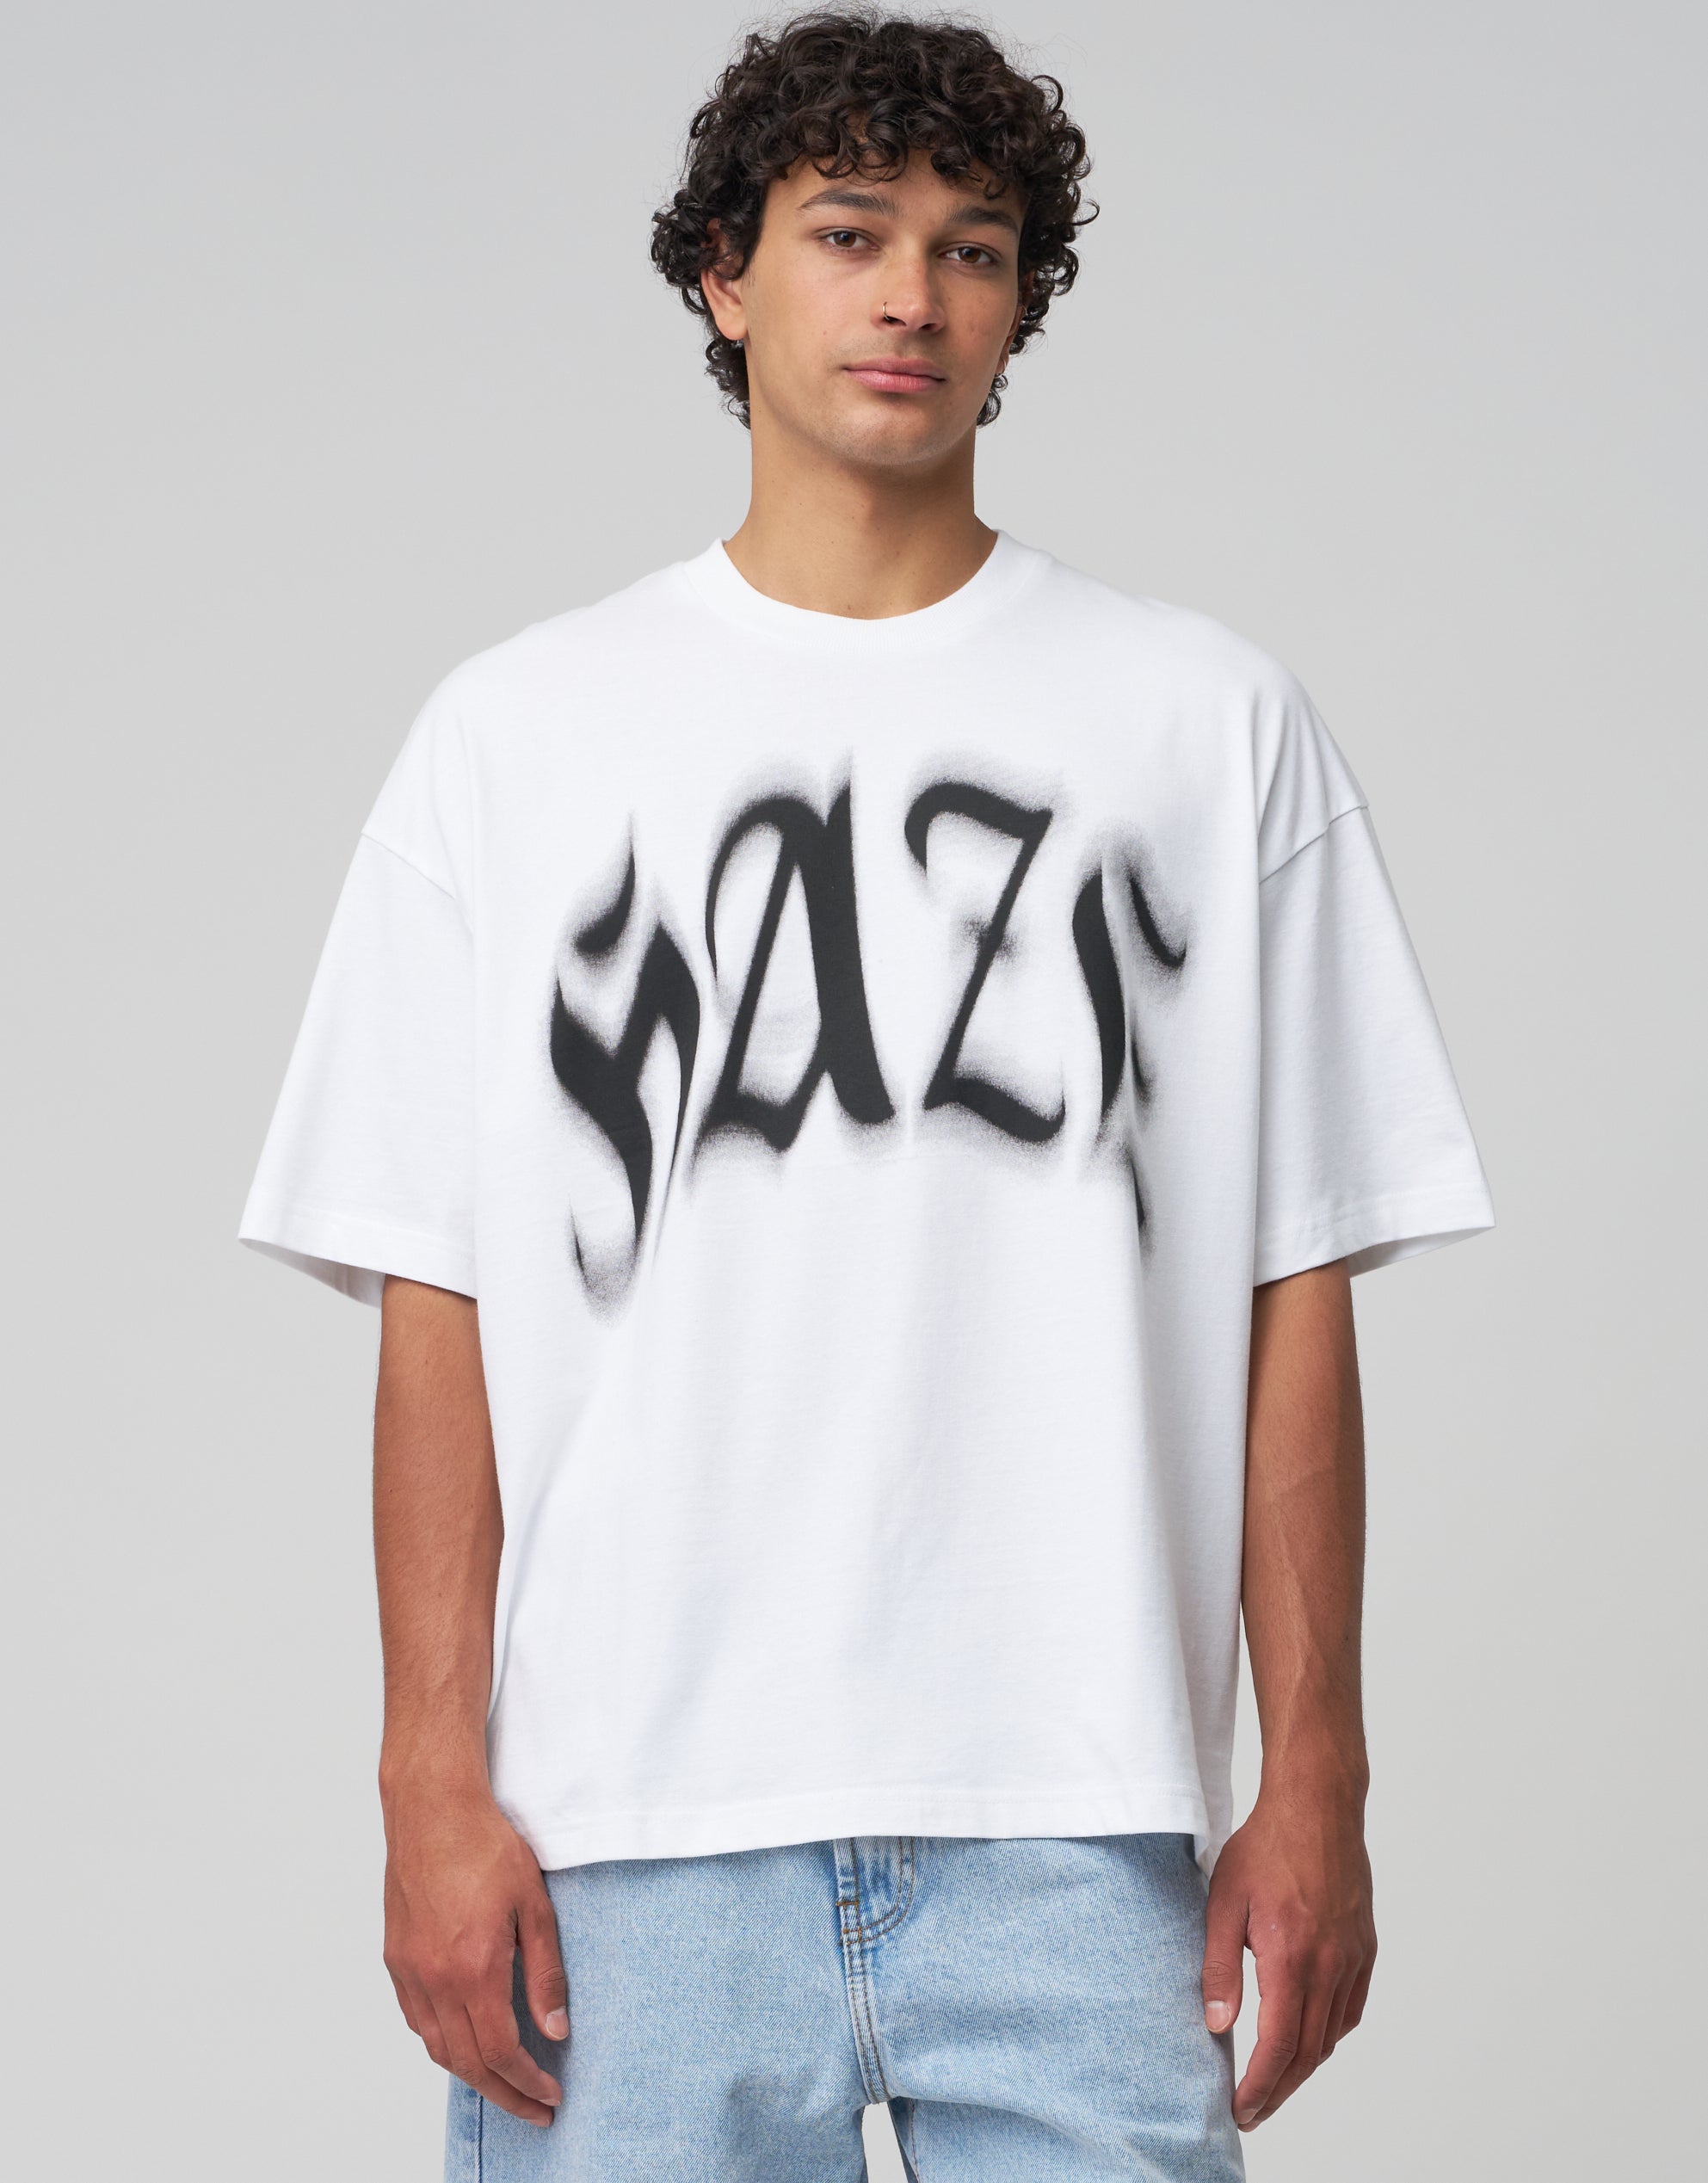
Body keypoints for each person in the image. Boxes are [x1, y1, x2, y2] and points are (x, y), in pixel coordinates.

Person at [239, 12, 1494, 2179]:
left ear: (1021, 303)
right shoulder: (515, 741)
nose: (912, 294)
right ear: (724, 276)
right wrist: (425, 1781)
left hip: (1080, 1820)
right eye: (848, 233)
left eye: (971, 248)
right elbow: (437, 1297)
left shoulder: (1205, 725)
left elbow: (1295, 1283)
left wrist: (1321, 1775)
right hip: (636, 1830)